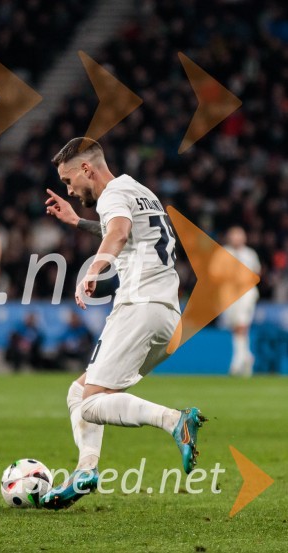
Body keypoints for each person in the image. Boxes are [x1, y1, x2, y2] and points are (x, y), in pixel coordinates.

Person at [40, 137, 205, 509]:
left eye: (68, 180)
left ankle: (174, 420)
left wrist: (93, 269)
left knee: (89, 405)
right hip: (167, 317)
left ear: (87, 169)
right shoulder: (139, 191)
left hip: (138, 307)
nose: (69, 189)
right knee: (79, 393)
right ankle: (85, 470)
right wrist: (77, 221)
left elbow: (118, 233)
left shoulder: (112, 194)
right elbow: (122, 230)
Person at [213, 226, 261, 377]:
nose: (237, 238)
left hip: (246, 293)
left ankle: (237, 362)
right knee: (235, 327)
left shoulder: (250, 253)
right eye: (234, 235)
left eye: (239, 235)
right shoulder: (222, 252)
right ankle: (246, 357)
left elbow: (257, 272)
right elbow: (214, 274)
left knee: (242, 324)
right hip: (228, 294)